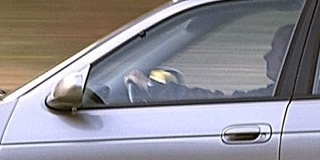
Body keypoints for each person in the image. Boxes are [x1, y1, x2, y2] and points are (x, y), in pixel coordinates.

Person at [124, 22, 295, 102]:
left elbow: (217, 101)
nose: (266, 56)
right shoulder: (282, 93)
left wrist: (152, 87)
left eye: (274, 49)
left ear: (292, 57)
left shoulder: (277, 97)